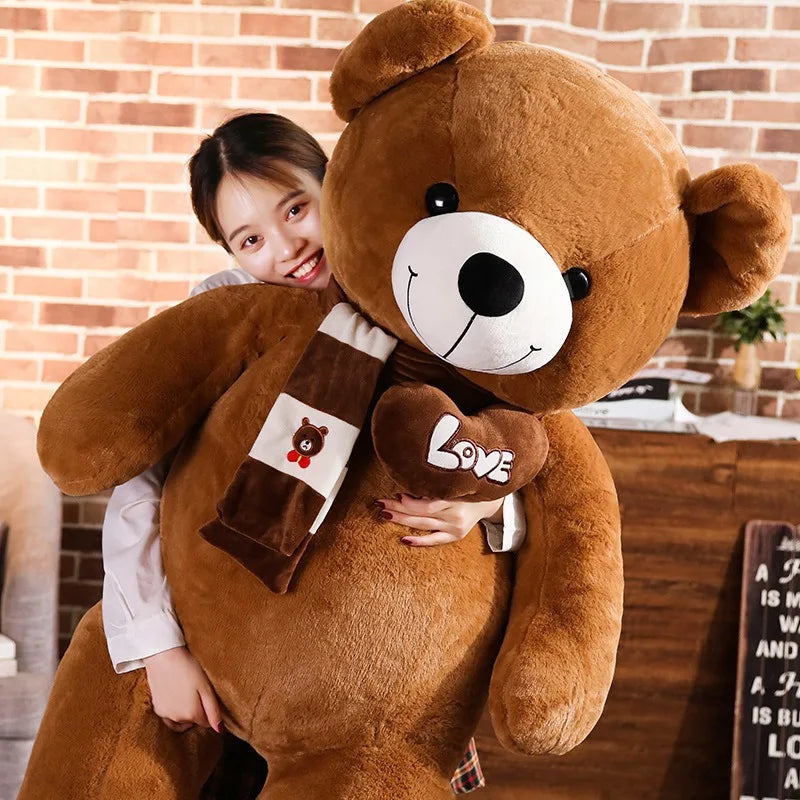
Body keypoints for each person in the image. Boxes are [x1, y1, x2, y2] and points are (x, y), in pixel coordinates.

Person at [101, 112, 526, 794]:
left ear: (335, 183)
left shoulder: (420, 292)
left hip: (392, 675)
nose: (287, 247)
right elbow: (140, 484)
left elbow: (528, 444)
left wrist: (487, 506)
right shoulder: (223, 313)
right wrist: (159, 647)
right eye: (250, 239)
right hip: (244, 661)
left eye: (296, 207)